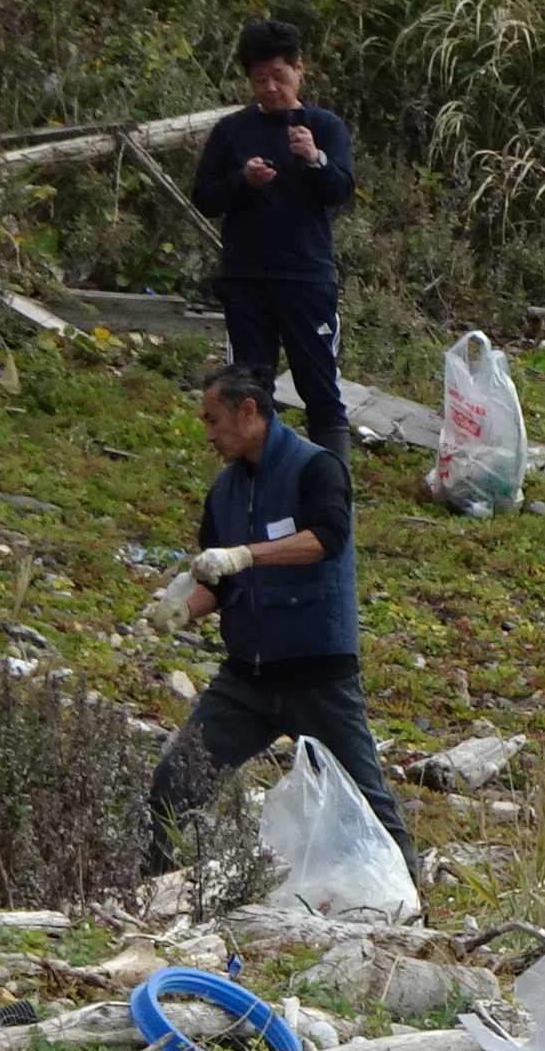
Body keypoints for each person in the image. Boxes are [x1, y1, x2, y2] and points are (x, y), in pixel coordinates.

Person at [145, 364, 411, 885]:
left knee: (361, 795)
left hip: (317, 673)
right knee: (175, 781)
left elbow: (327, 537)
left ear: (250, 412)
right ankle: (151, 892)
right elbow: (218, 578)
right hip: (248, 676)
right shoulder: (225, 490)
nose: (210, 433)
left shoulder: (317, 468)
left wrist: (246, 555)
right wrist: (182, 609)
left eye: (214, 419)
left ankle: (410, 900)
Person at [190, 22, 354, 450]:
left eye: (279, 77)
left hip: (306, 277)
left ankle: (331, 489)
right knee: (249, 391)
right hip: (246, 279)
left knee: (320, 387)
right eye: (259, 79)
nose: (270, 88)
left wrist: (315, 159)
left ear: (299, 70)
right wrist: (242, 180)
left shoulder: (325, 126)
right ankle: (254, 479)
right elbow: (204, 197)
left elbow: (341, 191)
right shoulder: (231, 131)